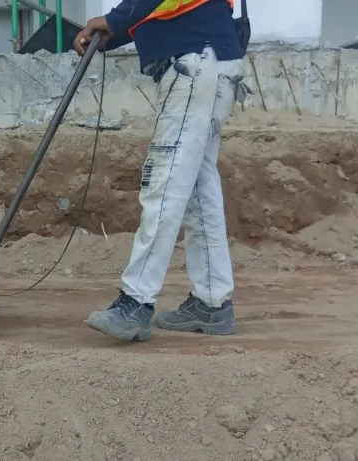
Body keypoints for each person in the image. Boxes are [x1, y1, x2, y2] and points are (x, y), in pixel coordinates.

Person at [75, 0, 250, 342]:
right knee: (199, 191)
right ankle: (212, 302)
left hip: (195, 62)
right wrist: (114, 30)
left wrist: (111, 19)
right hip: (208, 61)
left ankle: (136, 303)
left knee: (165, 183)